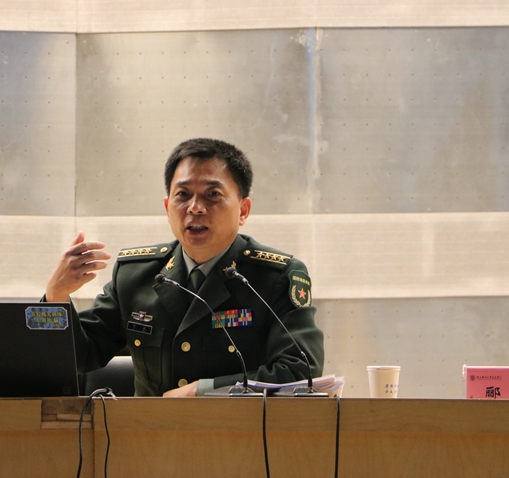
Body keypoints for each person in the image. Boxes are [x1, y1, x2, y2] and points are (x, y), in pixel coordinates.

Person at [44, 138, 324, 396]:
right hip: (148, 432)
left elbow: (301, 371)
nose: (195, 207)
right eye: (183, 194)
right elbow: (80, 356)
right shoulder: (135, 275)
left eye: (212, 194)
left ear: (243, 210)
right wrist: (56, 298)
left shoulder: (274, 277)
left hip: (238, 431)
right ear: (168, 207)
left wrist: (204, 391)